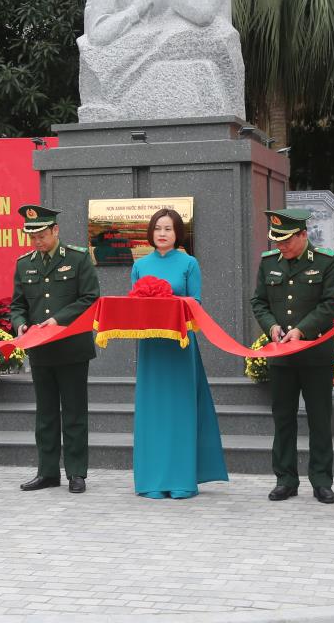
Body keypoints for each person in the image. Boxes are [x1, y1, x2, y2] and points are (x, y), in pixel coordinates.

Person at [130, 208, 227, 498]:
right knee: (153, 412)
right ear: (151, 232)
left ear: (177, 234)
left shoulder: (189, 263)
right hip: (151, 347)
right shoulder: (140, 265)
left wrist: (169, 302)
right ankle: (152, 481)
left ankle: (182, 480)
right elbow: (134, 306)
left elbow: (195, 303)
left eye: (169, 229)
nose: (162, 233)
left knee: (180, 410)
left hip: (180, 345)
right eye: (158, 228)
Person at [250, 209, 334, 504]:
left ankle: (321, 481)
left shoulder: (327, 261)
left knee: (319, 419)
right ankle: (285, 479)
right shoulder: (269, 263)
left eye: (287, 241)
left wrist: (301, 330)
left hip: (316, 353)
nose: (281, 247)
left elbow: (331, 304)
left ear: (303, 235)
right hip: (281, 356)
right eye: (277, 241)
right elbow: (259, 302)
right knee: (283, 419)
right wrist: (272, 326)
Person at [10, 205, 100, 493]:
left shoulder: (78, 258)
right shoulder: (24, 263)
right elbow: (17, 305)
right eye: (32, 237)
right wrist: (21, 323)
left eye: (42, 236)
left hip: (72, 348)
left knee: (73, 412)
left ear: (55, 231)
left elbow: (90, 298)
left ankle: (76, 472)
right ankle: (47, 472)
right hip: (40, 350)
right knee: (45, 414)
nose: (37, 242)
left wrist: (58, 319)